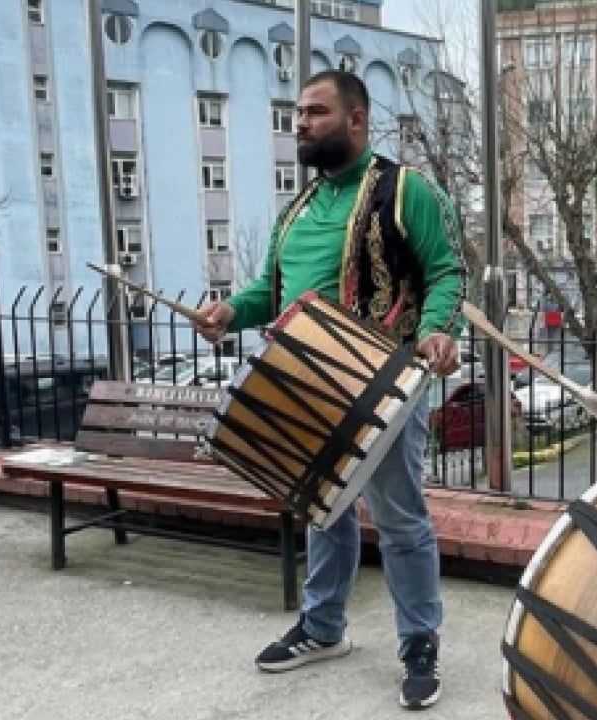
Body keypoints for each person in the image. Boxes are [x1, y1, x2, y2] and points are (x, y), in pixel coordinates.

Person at [194, 69, 466, 711]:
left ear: (357, 119)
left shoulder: (405, 189)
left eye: (316, 112)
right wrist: (230, 311)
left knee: (400, 519)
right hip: (308, 385)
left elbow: (448, 270)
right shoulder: (297, 209)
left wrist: (436, 330)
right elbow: (272, 292)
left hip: (383, 383)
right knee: (323, 509)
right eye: (298, 113)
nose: (301, 123)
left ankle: (419, 643)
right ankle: (323, 629)